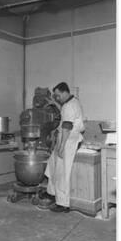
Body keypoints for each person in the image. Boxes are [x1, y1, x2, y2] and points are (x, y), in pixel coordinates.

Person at [42, 82, 85, 213]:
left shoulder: (69, 106)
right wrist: (53, 103)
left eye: (57, 95)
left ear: (65, 92)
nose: (56, 98)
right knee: (53, 165)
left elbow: (66, 127)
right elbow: (64, 110)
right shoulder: (72, 102)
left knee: (62, 172)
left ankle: (62, 204)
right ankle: (51, 193)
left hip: (68, 141)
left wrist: (61, 146)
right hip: (66, 139)